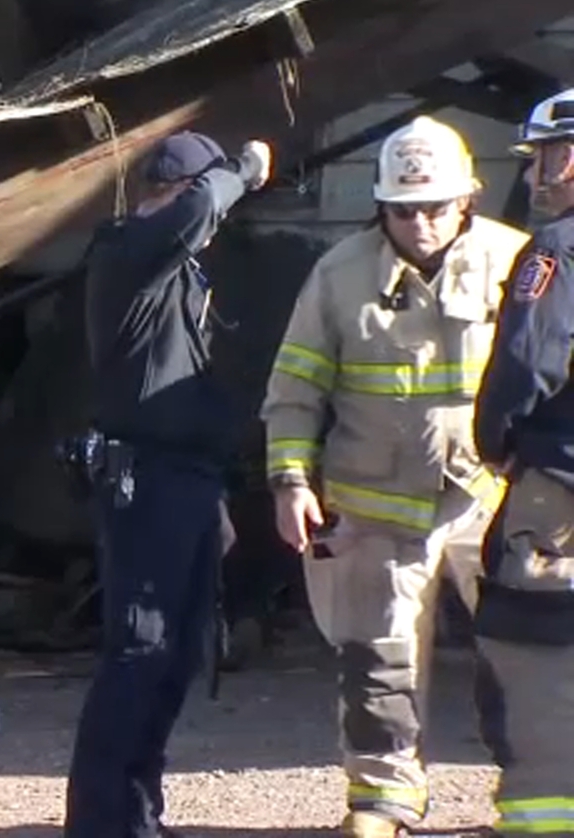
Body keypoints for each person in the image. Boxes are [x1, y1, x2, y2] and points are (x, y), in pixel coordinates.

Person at [259, 115, 527, 838]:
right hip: (375, 508)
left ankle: (538, 800)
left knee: (524, 656)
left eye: (434, 206)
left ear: (466, 198)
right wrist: (290, 483)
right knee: (379, 666)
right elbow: (295, 387)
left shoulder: (520, 262)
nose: (420, 223)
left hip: (493, 499)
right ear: (382, 206)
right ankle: (382, 801)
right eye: (403, 209)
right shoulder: (340, 275)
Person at [63, 130, 271, 838]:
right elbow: (199, 209)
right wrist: (246, 169)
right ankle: (101, 824)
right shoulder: (129, 252)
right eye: (204, 201)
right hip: (145, 482)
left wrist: (216, 493)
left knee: (176, 657)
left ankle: (138, 817)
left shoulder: (172, 269)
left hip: (186, 481)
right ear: (180, 194)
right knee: (139, 652)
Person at [471, 87, 574, 838]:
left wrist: (496, 443)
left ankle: (544, 819)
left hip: (558, 492)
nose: (539, 173)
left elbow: (525, 365)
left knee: (533, 653)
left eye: (544, 156)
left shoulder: (557, 251)